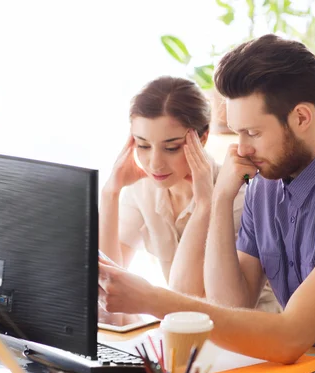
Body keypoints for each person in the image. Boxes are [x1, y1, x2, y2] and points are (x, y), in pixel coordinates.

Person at [98, 35, 315, 370]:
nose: (241, 149)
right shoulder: (265, 185)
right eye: (236, 133)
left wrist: (152, 299)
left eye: (252, 132)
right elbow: (231, 307)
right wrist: (220, 197)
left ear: (301, 118)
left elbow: (289, 337)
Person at [99, 76, 281, 318]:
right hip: (187, 332)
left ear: (202, 138)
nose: (155, 163)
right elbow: (106, 284)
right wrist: (110, 192)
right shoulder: (145, 189)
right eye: (143, 145)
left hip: (248, 334)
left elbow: (184, 297)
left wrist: (205, 204)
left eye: (171, 147)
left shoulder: (238, 196)